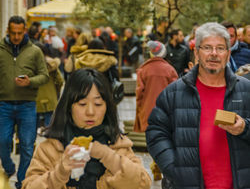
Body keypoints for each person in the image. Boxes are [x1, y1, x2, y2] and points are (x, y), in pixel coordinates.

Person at [146, 22, 250, 189]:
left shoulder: (246, 89)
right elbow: (156, 132)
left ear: (228, 53)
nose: (214, 54)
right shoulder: (173, 93)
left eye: (220, 48)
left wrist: (245, 127)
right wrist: (174, 168)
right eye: (207, 47)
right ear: (196, 52)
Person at [22, 68, 152, 189]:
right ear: (68, 106)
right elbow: (29, 186)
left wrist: (107, 155)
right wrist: (59, 173)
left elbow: (142, 183)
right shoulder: (51, 147)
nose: (90, 112)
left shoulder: (118, 144)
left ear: (107, 107)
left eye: (98, 104)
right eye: (82, 104)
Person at [0, 16, 49, 189]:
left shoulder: (35, 51)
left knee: (27, 146)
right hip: (3, 104)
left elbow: (44, 75)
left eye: (19, 33)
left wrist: (30, 81)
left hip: (27, 105)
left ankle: (22, 182)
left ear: (25, 32)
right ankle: (8, 167)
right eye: (13, 33)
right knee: (2, 141)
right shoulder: (0, 49)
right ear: (8, 30)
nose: (16, 36)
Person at [134, 40, 178, 181]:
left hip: (148, 111)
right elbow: (176, 92)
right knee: (165, 138)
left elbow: (139, 93)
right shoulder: (170, 69)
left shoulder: (143, 70)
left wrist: (140, 110)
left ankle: (155, 164)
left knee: (152, 140)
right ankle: (159, 164)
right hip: (166, 111)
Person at [36, 44, 64, 133]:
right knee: (49, 119)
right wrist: (57, 90)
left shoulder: (30, 65)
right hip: (50, 96)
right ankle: (48, 138)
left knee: (33, 121)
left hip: (35, 97)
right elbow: (60, 80)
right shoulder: (53, 65)